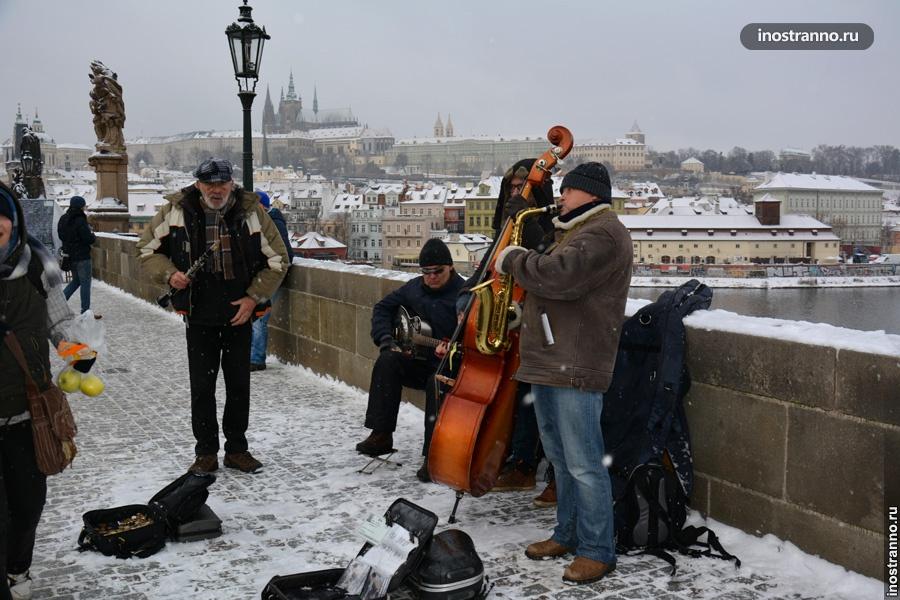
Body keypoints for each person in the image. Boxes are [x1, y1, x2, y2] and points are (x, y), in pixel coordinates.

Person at [496, 162, 632, 585]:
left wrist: (515, 259)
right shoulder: (575, 229)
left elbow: (560, 278)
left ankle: (597, 549)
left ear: (588, 193)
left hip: (576, 362)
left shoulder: (604, 232)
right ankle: (569, 533)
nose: (561, 197)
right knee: (560, 459)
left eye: (568, 191)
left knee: (584, 462)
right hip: (552, 360)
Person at [136, 158, 289, 474]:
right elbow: (147, 249)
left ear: (231, 184)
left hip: (239, 310)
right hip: (199, 310)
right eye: (210, 185)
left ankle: (237, 449)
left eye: (222, 184)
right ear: (198, 185)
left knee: (238, 386)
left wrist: (252, 298)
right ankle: (205, 451)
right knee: (202, 388)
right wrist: (170, 275)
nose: (217, 190)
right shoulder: (177, 210)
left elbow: (277, 260)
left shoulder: (251, 212)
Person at [1, 181, 81, 600]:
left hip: (28, 407)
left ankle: (18, 568)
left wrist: (77, 353)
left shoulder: (37, 264)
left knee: (28, 503)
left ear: (12, 220)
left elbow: (59, 323)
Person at [457, 159, 555, 500]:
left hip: (534, 326)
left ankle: (524, 464)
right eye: (512, 188)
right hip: (503, 324)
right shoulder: (505, 228)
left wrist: (525, 218)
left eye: (523, 186)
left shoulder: (547, 224)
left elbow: (545, 258)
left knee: (525, 397)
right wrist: (462, 306)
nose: (517, 192)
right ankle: (470, 451)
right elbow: (483, 274)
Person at [355, 238, 464, 480]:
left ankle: (432, 456)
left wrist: (455, 349)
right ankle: (381, 434)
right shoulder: (413, 288)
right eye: (426, 272)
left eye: (438, 271)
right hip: (418, 361)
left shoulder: (463, 295)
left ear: (451, 268)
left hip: (449, 368)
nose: (432, 277)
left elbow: (474, 337)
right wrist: (386, 339)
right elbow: (382, 308)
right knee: (387, 361)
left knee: (436, 383)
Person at [250, 191, 294, 371]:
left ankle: (256, 359)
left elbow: (285, 255)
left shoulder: (273, 223)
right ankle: (252, 356)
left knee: (259, 319)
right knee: (255, 318)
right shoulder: (262, 222)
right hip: (261, 276)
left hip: (270, 277)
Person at [57, 196, 97, 314]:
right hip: (82, 256)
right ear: (80, 206)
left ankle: (60, 303)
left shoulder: (64, 218)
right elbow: (87, 238)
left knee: (76, 281)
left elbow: (61, 236)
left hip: (70, 255)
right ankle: (85, 311)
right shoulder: (80, 219)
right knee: (85, 283)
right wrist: (93, 236)